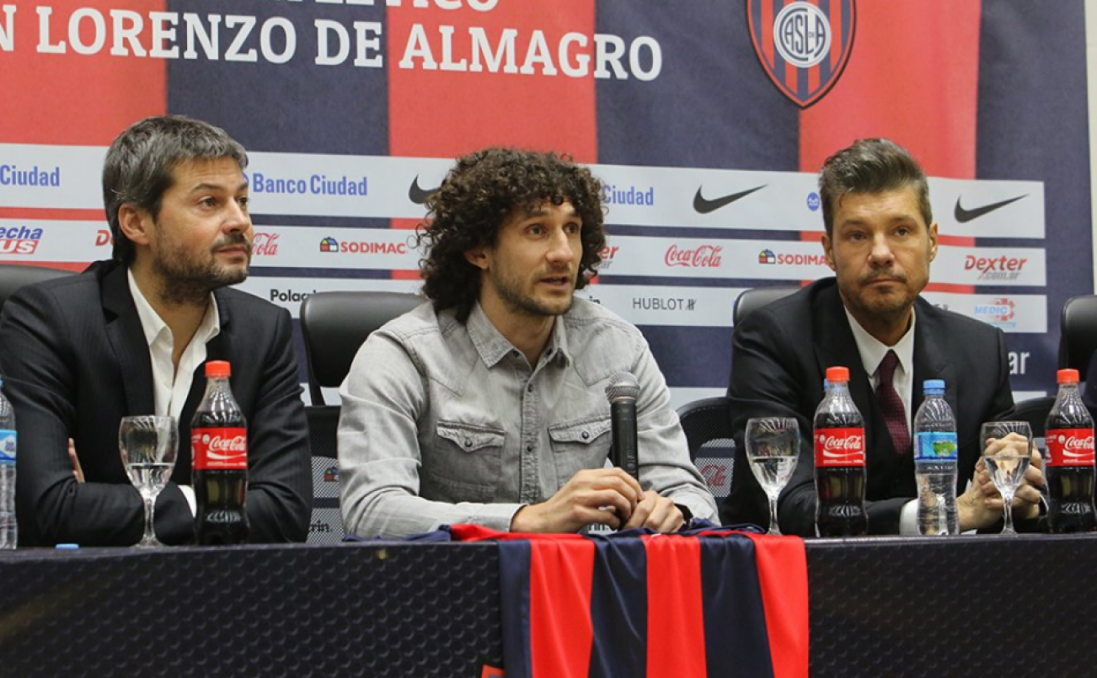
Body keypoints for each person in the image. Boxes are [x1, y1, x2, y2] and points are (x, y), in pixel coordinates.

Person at [338, 147, 716, 538]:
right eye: (537, 230)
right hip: (449, 589)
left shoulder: (618, 348)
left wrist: (673, 510)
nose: (563, 254)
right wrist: (526, 520)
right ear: (478, 250)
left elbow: (689, 493)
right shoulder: (404, 355)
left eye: (571, 229)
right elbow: (372, 510)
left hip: (576, 590)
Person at [0, 115, 312, 546]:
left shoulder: (264, 331)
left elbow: (285, 512)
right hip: (83, 598)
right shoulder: (51, 319)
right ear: (136, 223)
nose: (239, 221)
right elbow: (45, 507)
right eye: (209, 203)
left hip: (221, 597)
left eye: (242, 201)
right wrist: (216, 506)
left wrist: (107, 504)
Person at [726, 137, 1043, 536]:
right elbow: (789, 505)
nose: (880, 253)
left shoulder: (980, 350)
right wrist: (939, 514)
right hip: (801, 583)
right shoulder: (772, 339)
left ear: (932, 242)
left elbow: (1011, 497)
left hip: (943, 584)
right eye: (857, 235)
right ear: (828, 251)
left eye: (901, 231)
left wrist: (1021, 494)